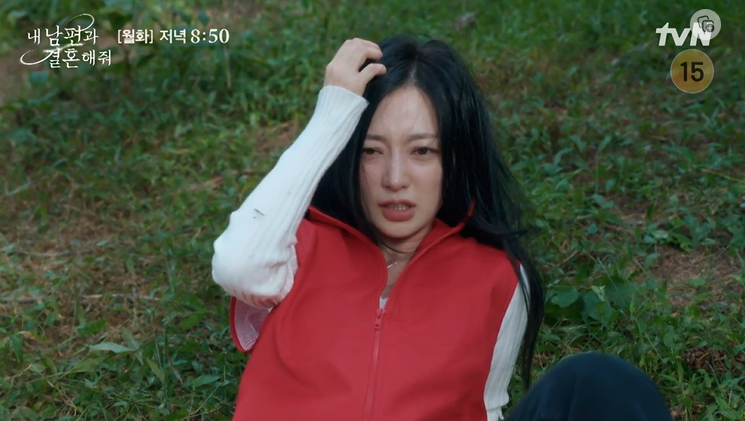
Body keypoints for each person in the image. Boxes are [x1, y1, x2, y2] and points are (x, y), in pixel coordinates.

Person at [211, 35, 674, 421]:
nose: (395, 179)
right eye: (372, 151)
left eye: (422, 151)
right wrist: (331, 116)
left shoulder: (497, 276)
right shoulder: (293, 250)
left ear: (454, 160)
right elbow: (238, 265)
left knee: (597, 383)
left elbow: (487, 407)